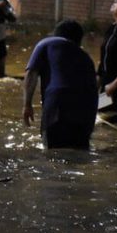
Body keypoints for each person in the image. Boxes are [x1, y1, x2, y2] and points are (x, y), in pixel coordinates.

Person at [23, 20, 98, 149]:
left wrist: (27, 104)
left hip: (58, 102)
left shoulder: (45, 43)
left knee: (53, 152)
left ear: (56, 34)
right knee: (79, 152)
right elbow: (94, 87)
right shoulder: (86, 57)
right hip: (87, 108)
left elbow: (31, 74)